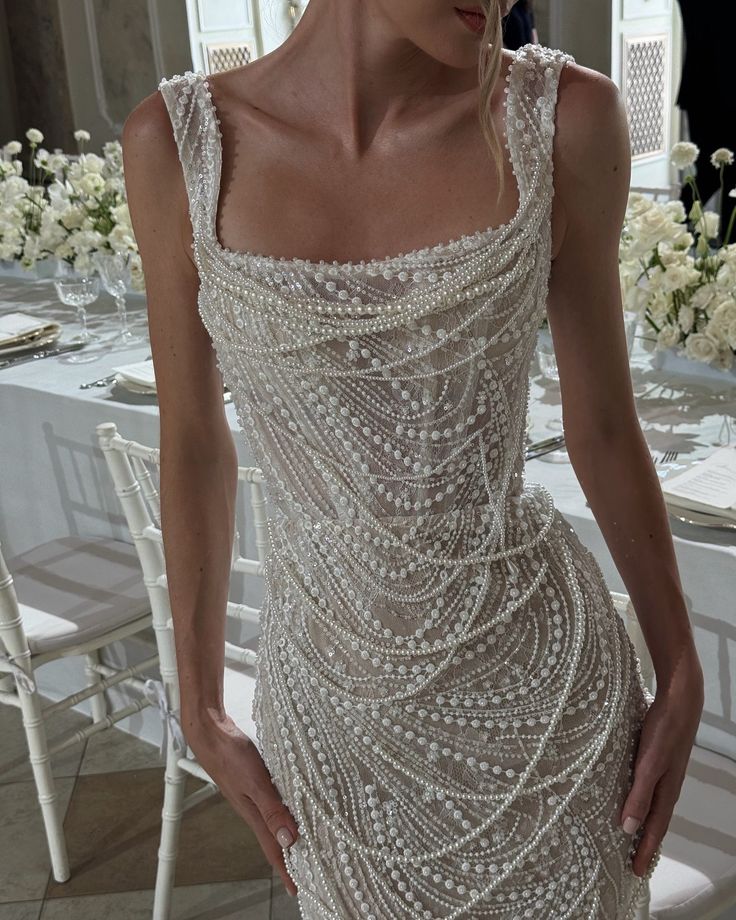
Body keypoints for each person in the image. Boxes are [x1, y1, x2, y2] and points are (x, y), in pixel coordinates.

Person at [122, 0, 704, 915]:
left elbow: (602, 426)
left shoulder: (564, 119)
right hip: (333, 709)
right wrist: (198, 700)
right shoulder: (180, 143)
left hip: (545, 698)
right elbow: (194, 440)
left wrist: (680, 665)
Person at [676, 0, 736, 240]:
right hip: (711, 93)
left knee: (711, 176)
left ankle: (672, 232)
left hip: (702, 91)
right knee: (716, 176)